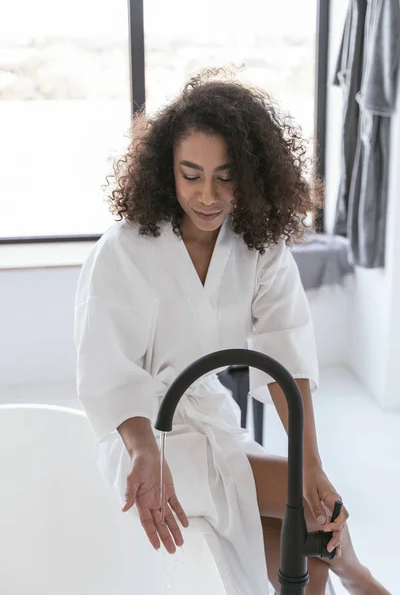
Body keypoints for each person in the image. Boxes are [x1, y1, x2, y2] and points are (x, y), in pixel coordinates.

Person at [74, 69, 390, 595]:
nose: (208, 195)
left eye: (226, 176)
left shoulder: (258, 246)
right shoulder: (124, 250)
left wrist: (311, 462)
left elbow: (288, 359)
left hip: (209, 417)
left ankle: (346, 574)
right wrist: (144, 450)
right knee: (310, 506)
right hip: (144, 441)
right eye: (191, 174)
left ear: (250, 173)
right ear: (166, 172)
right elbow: (106, 370)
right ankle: (360, 576)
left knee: (310, 554)